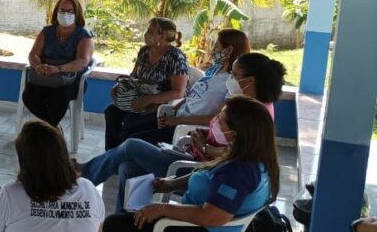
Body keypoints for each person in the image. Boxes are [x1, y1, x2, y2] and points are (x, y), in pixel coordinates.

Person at [93, 95, 278, 232]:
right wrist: (169, 184)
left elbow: (213, 217)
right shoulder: (249, 157)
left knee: (115, 226)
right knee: (130, 221)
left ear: (236, 134)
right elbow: (206, 173)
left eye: (221, 120)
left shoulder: (239, 172)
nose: (215, 121)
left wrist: (162, 209)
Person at [78, 51, 286, 212]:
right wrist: (203, 137)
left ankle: (82, 180)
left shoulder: (255, 114)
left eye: (235, 74)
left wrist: (203, 146)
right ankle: (129, 220)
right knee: (128, 166)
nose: (229, 78)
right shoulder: (242, 103)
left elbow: (236, 158)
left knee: (132, 145)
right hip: (194, 156)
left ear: (250, 81)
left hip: (200, 170)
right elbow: (229, 142)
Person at [127, 29, 250, 145]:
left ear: (228, 50)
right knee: (129, 127)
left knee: (133, 140)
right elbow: (193, 95)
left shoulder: (232, 83)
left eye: (216, 46)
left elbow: (215, 119)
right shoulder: (214, 70)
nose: (212, 50)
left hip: (187, 129)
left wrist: (178, 121)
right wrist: (172, 111)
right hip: (176, 119)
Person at [104, 17, 189, 150]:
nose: (146, 34)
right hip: (139, 99)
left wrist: (149, 100)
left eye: (151, 32)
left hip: (160, 107)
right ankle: (111, 153)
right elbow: (134, 76)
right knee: (111, 112)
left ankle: (120, 153)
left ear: (162, 36)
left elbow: (179, 92)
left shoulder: (175, 57)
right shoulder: (145, 51)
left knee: (129, 125)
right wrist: (120, 86)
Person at [20, 0, 94, 128]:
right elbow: (34, 54)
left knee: (57, 98)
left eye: (70, 11)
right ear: (56, 12)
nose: (65, 14)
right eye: (62, 10)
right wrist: (38, 66)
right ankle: (53, 128)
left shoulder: (83, 35)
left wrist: (58, 69)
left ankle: (49, 129)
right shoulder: (46, 32)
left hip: (71, 80)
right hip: (45, 77)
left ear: (77, 14)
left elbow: (83, 61)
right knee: (30, 95)